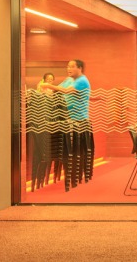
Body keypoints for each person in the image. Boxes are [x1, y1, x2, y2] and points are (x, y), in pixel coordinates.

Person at [43, 59, 93, 190]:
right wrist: (46, 89)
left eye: (72, 66)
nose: (68, 69)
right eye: (68, 66)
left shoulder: (82, 80)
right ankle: (61, 175)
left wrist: (47, 85)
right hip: (66, 119)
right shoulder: (69, 79)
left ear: (80, 68)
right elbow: (58, 90)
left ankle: (73, 178)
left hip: (77, 120)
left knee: (71, 149)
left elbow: (65, 91)